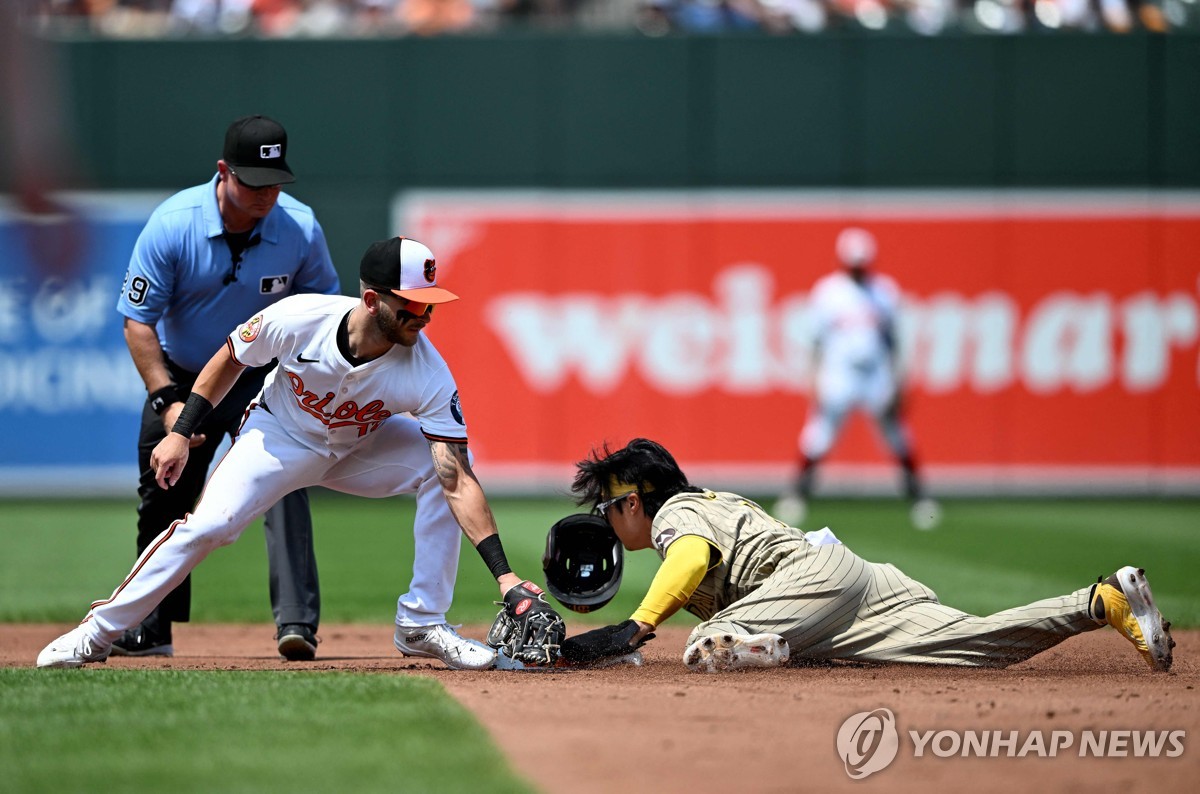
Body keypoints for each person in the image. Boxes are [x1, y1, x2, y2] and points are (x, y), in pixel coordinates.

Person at [38, 236, 555, 671]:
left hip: (358, 447)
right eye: (413, 305)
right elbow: (229, 358)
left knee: (438, 470)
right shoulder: (299, 317)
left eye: (431, 304)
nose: (425, 316)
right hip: (278, 438)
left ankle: (421, 623)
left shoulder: (426, 370)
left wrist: (506, 577)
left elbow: (457, 479)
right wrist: (181, 431)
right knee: (210, 527)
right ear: (373, 301)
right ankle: (98, 631)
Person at [558, 438, 1175, 674]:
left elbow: (691, 556)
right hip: (847, 583)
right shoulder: (708, 501)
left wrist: (640, 624)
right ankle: (1103, 601)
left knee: (709, 644)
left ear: (635, 502)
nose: (608, 521)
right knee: (978, 649)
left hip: (807, 579)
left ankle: (760, 644)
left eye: (609, 507)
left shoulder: (675, 514)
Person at [114, 114, 341, 661]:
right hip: (187, 373)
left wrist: (305, 385)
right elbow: (137, 321)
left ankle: (296, 624)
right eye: (252, 182)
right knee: (163, 488)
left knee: (285, 484)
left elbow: (327, 314)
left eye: (274, 183)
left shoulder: (300, 227)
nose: (265, 195)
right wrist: (168, 401)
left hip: (263, 378)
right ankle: (152, 625)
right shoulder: (174, 225)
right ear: (223, 171)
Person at [774, 226, 941, 531]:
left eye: (861, 263)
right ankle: (796, 496)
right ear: (842, 261)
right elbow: (815, 341)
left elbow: (893, 341)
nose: (857, 269)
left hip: (874, 371)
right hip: (839, 372)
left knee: (897, 435)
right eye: (853, 263)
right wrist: (812, 378)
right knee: (819, 435)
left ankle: (919, 498)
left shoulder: (883, 290)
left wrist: (899, 380)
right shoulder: (828, 291)